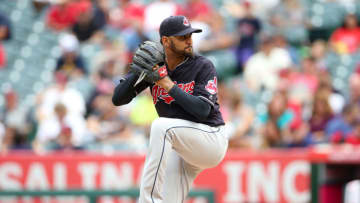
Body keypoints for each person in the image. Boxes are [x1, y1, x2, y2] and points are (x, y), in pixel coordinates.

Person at [112, 15, 228, 203]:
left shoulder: (202, 65)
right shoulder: (155, 67)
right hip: (180, 145)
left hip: (209, 138)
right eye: (182, 37)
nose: (189, 41)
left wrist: (166, 83)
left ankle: (147, 200)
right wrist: (137, 72)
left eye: (190, 36)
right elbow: (118, 99)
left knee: (161, 126)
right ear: (166, 41)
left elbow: (202, 111)